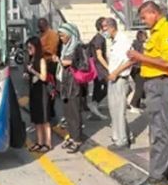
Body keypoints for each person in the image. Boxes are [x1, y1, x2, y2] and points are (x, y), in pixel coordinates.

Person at [127, 1, 168, 185]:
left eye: (144, 17)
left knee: (159, 129)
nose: (143, 21)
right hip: (158, 83)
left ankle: (157, 175)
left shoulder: (166, 30)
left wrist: (140, 57)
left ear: (154, 13)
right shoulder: (158, 32)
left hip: (160, 83)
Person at [51, 22, 87, 153]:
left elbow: (84, 65)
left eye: (63, 35)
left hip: (73, 85)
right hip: (64, 85)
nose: (61, 38)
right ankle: (72, 136)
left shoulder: (78, 47)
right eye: (60, 36)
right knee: (67, 113)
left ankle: (77, 139)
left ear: (70, 34)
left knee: (74, 113)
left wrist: (65, 62)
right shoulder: (65, 47)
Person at [104, 18, 133, 149]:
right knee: (114, 109)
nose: (104, 31)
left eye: (105, 28)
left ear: (111, 27)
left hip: (120, 78)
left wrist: (116, 72)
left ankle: (122, 140)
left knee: (119, 110)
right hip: (113, 78)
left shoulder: (123, 40)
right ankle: (124, 135)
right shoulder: (114, 42)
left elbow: (130, 60)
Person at [24, 36, 52, 153]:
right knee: (37, 119)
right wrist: (26, 75)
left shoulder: (41, 60)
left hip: (42, 92)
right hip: (34, 91)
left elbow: (44, 77)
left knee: (44, 119)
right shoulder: (31, 59)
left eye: (30, 47)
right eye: (27, 48)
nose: (29, 50)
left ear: (36, 47)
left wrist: (32, 71)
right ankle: (39, 142)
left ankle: (48, 143)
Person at [88, 17, 110, 120]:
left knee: (97, 87)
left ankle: (94, 109)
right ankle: (94, 104)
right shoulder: (99, 39)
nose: (107, 28)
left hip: (98, 67)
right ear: (100, 27)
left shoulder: (99, 38)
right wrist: (108, 67)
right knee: (108, 86)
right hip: (99, 68)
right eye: (105, 25)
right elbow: (99, 55)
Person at [128, 30, 147, 111]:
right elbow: (141, 57)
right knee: (140, 87)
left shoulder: (134, 44)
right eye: (145, 36)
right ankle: (134, 104)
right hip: (138, 68)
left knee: (140, 86)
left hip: (134, 69)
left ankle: (138, 104)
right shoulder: (140, 45)